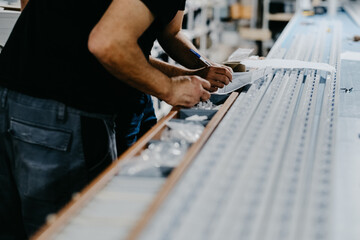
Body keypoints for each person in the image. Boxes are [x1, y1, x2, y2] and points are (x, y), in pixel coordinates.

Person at [0, 0, 232, 239]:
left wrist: (196, 70)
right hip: (62, 112)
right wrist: (169, 89)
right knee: (70, 229)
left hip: (10, 91)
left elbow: (160, 35)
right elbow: (108, 44)